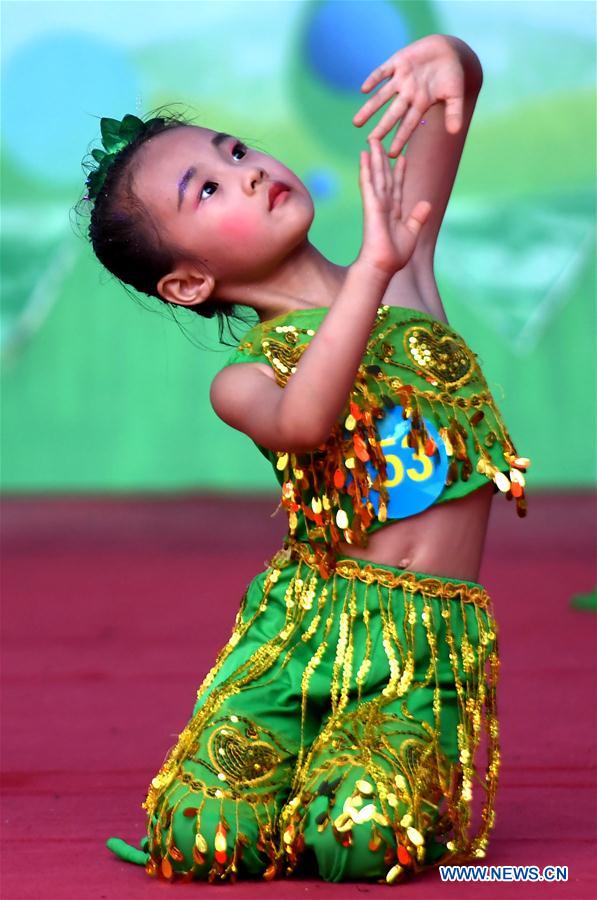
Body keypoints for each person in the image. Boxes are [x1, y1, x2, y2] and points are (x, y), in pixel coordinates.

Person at [80, 33, 530, 885]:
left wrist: (453, 59)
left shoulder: (401, 269)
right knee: (202, 837)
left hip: (423, 647)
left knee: (355, 842)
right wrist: (369, 269)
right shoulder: (246, 379)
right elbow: (307, 419)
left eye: (236, 149)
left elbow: (446, 102)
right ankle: (292, 771)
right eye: (206, 188)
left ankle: (345, 779)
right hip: (305, 636)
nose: (248, 170)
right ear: (185, 284)